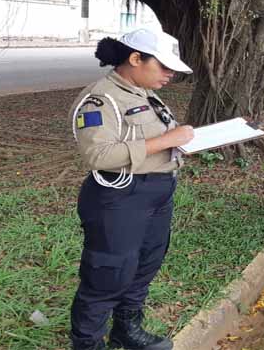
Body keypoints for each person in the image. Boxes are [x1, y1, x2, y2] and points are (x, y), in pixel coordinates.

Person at [69, 28, 195, 350]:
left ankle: (126, 330)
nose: (169, 75)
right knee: (107, 274)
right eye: (163, 67)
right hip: (120, 197)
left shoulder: (145, 93)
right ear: (135, 58)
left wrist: (178, 143)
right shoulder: (101, 99)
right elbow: (98, 155)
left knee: (144, 265)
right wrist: (167, 140)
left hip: (157, 193)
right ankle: (88, 344)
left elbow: (154, 139)